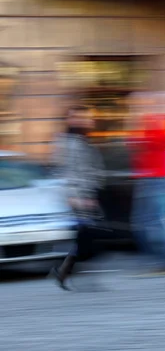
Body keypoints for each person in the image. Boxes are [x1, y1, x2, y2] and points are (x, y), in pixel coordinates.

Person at [130, 92, 165, 275]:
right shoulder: (152, 120)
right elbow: (134, 143)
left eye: (161, 102)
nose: (155, 104)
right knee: (143, 220)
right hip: (148, 177)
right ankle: (160, 258)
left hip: (163, 177)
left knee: (159, 220)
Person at [48, 105, 105, 291]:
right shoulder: (67, 142)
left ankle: (64, 271)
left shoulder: (81, 140)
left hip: (87, 196)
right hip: (77, 199)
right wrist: (74, 196)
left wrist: (92, 193)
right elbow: (64, 172)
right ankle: (65, 271)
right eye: (79, 117)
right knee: (85, 238)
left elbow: (88, 170)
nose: (85, 121)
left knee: (85, 238)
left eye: (86, 117)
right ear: (70, 120)